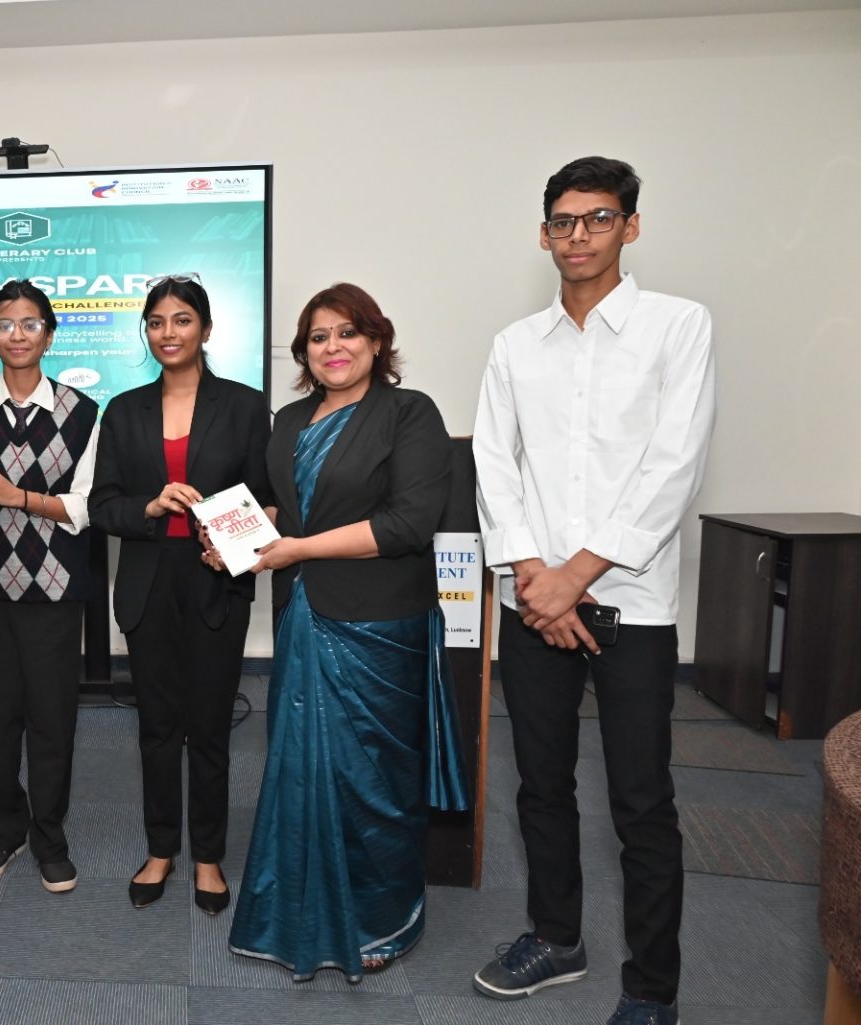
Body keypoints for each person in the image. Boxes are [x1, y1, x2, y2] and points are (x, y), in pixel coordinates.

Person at [471, 157, 715, 1025]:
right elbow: (494, 463)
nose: (579, 235)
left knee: (641, 802)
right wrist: (532, 576)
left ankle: (651, 987)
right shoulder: (515, 344)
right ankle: (556, 937)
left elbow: (674, 464)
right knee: (541, 785)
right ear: (544, 234)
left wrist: (574, 575)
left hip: (632, 605)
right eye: (564, 221)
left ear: (630, 226)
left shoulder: (678, 326)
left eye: (599, 218)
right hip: (533, 602)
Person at [228, 282, 470, 981]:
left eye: (347, 332)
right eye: (318, 336)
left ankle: (381, 918)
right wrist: (236, 540)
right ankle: (298, 913)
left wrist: (296, 550)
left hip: (379, 625)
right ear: (303, 351)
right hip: (305, 613)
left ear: (376, 339)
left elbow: (408, 525)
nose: (333, 346)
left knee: (375, 781)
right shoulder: (289, 419)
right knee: (302, 771)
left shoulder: (409, 412)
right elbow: (287, 509)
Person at [89, 274, 270, 913]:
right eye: (157, 322)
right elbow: (102, 506)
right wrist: (149, 504)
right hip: (148, 579)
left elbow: (267, 499)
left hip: (215, 576)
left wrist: (235, 547)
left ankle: (209, 858)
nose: (168, 333)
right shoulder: (123, 410)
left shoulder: (246, 407)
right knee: (158, 728)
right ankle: (161, 849)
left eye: (182, 320)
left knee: (211, 726)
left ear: (206, 329)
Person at [0, 279, 99, 894]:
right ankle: (2, 831)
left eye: (30, 324)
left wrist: (20, 498)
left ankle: (50, 838)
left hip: (54, 591)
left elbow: (84, 507)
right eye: (5, 324)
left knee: (51, 720)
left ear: (49, 335)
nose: (17, 335)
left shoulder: (83, 411)